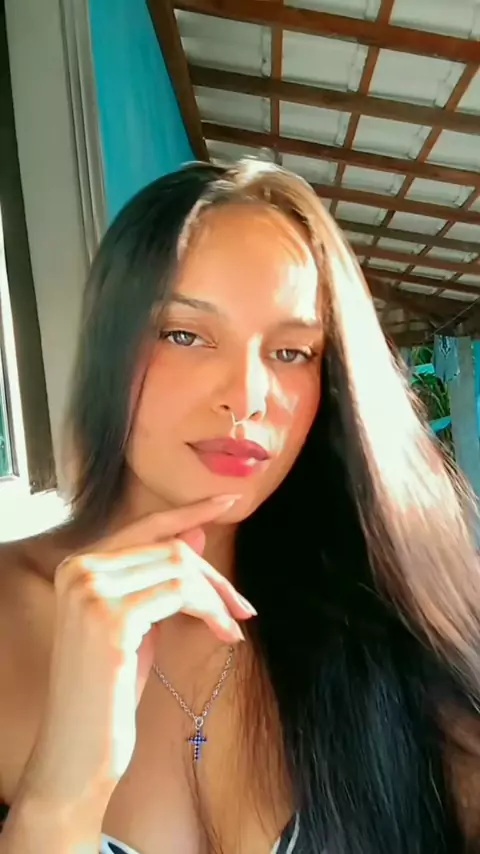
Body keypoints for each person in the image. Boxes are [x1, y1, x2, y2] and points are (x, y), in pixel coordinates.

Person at [0, 159, 479, 854]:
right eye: (186, 335)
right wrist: (61, 795)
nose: (248, 398)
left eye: (291, 352)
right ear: (110, 346)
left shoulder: (380, 616)